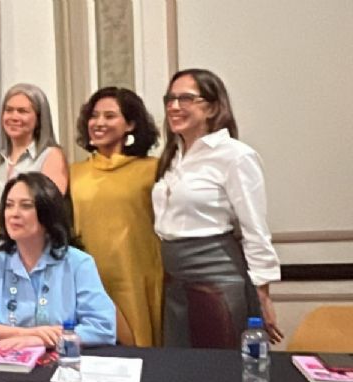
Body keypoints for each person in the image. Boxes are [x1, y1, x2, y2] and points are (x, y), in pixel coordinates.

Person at [153, 68, 282, 347]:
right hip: (175, 278)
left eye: (186, 98)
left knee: (219, 368)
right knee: (181, 368)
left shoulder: (235, 155)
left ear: (211, 107)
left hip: (217, 277)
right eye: (170, 99)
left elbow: (255, 229)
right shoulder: (172, 156)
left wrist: (262, 293)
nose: (174, 107)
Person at [0, 173, 115, 349]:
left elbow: (103, 328)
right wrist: (26, 334)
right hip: (10, 363)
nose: (13, 214)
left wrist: (42, 340)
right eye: (9, 206)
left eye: (26, 206)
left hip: (64, 364)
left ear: (47, 212)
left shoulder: (78, 263)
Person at [70, 87, 163, 346]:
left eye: (110, 116)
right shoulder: (75, 172)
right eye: (94, 116)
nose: (99, 123)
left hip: (136, 274)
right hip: (89, 276)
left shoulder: (153, 169)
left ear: (130, 124)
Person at [0, 83, 71, 264]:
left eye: (23, 111)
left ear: (39, 118)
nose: (14, 117)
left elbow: (48, 214)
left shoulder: (51, 156)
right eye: (9, 110)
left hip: (35, 262)